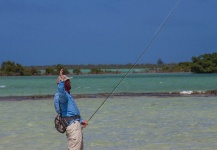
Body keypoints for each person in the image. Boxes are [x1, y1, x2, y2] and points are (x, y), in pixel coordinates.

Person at [54, 69, 88, 150]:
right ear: (64, 83)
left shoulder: (65, 96)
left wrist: (80, 121)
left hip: (74, 125)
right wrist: (62, 80)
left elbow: (68, 112)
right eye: (68, 81)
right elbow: (61, 92)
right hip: (73, 127)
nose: (70, 83)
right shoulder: (62, 95)